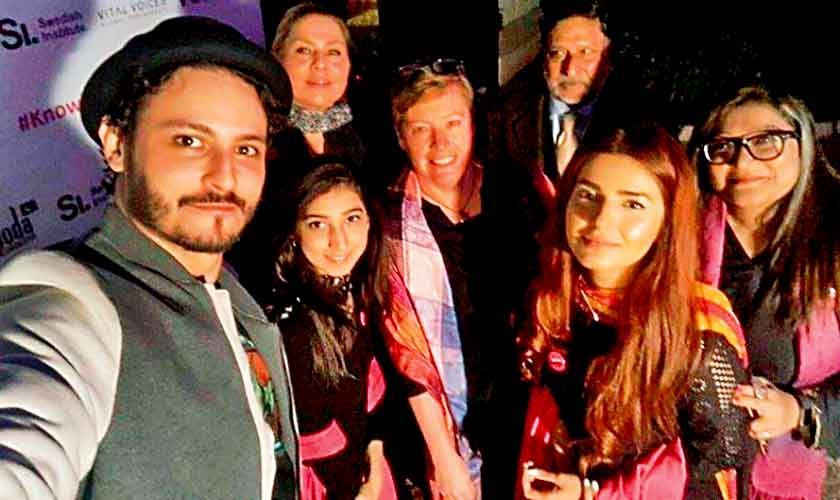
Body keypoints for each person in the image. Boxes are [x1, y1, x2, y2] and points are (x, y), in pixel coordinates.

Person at [0, 17, 297, 500]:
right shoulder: (70, 303)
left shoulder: (235, 298)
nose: (225, 176)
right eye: (189, 141)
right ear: (117, 144)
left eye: (246, 148)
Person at [517, 125, 756, 499]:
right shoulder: (556, 299)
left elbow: (716, 467)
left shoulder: (698, 332)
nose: (601, 221)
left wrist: (593, 494)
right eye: (588, 196)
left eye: (632, 205)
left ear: (668, 221)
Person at [380, 57, 537, 499]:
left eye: (453, 123)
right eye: (421, 129)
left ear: (473, 123)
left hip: (525, 410)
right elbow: (405, 353)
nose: (440, 143)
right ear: (401, 137)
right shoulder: (388, 222)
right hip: (444, 426)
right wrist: (444, 457)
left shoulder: (516, 193)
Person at [689, 85, 840, 499]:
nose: (743, 162)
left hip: (794, 472)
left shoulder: (831, 246)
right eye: (723, 147)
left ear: (803, 143)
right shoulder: (678, 237)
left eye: (766, 141)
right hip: (690, 472)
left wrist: (799, 412)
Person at [259, 161, 396, 499]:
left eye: (352, 219)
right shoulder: (292, 327)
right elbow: (318, 445)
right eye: (318, 224)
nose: (339, 241)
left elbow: (372, 406)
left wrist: (376, 464)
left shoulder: (359, 293)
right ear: (295, 233)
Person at [491, 1, 611, 208]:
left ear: (607, 56)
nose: (570, 69)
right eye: (558, 53)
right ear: (544, 58)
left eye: (585, 52)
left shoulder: (636, 116)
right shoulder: (504, 114)